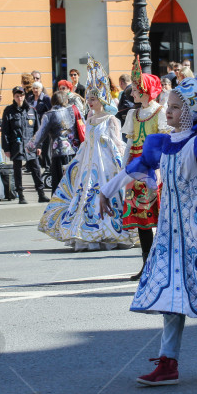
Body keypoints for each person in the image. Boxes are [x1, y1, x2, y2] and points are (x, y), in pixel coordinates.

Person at [99, 77, 197, 386]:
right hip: (171, 230)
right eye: (168, 106)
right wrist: (106, 191)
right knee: (169, 291)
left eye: (174, 107)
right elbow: (135, 167)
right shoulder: (163, 143)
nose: (168, 111)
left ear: (191, 111)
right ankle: (168, 362)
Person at [38, 56, 136, 251]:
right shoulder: (90, 120)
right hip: (88, 164)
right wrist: (76, 163)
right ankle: (86, 232)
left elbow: (118, 143)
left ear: (101, 100)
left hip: (107, 164)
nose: (89, 102)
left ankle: (112, 231)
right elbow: (85, 144)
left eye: (93, 99)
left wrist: (122, 161)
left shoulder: (110, 119)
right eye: (89, 99)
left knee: (108, 194)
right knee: (84, 194)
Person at [121, 56, 169, 280]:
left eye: (135, 90)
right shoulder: (134, 114)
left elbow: (163, 144)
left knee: (159, 218)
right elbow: (130, 144)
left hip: (153, 169)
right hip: (137, 170)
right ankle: (147, 263)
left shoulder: (160, 112)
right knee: (142, 220)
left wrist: (159, 171)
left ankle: (164, 262)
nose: (132, 94)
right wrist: (124, 169)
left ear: (146, 90)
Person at [1, 86, 48, 204]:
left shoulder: (31, 110)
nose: (19, 98)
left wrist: (39, 146)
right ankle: (21, 195)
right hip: (16, 145)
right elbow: (5, 131)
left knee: (36, 169)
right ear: (14, 97)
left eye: (21, 95)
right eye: (17, 96)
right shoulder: (9, 110)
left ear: (24, 96)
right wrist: (6, 148)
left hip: (30, 145)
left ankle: (41, 194)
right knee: (17, 170)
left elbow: (38, 130)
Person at [27, 90, 80, 192]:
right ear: (66, 100)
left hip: (59, 153)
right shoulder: (74, 110)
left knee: (60, 186)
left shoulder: (49, 115)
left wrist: (29, 147)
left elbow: (40, 134)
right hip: (75, 152)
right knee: (74, 184)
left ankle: (60, 207)